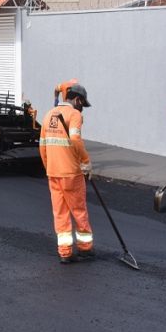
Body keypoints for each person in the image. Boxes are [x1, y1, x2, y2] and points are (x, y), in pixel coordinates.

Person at [39, 83, 94, 264]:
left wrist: (49, 167)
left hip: (53, 173)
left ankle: (65, 252)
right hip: (71, 173)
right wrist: (85, 162)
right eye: (82, 105)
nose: (82, 109)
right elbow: (76, 139)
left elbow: (42, 146)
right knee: (78, 211)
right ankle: (85, 249)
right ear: (77, 100)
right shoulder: (74, 115)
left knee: (60, 213)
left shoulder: (48, 114)